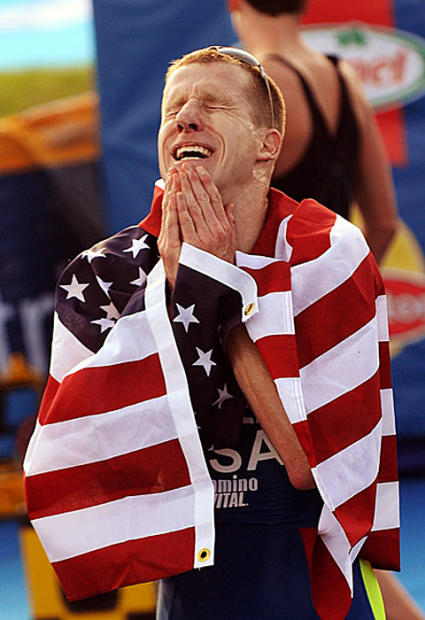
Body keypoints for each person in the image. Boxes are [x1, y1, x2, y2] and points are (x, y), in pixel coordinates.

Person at [23, 47, 399, 620]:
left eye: (214, 104)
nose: (186, 118)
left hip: (313, 590)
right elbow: (85, 481)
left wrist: (215, 298)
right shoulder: (105, 274)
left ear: (268, 146)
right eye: (173, 108)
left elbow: (309, 467)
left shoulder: (326, 252)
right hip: (190, 598)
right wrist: (179, 290)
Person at [227, 0, 399, 265]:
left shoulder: (258, 85)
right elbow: (383, 225)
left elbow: (219, 221)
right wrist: (343, 281)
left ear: (235, 4)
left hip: (264, 289)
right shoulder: (345, 77)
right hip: (332, 283)